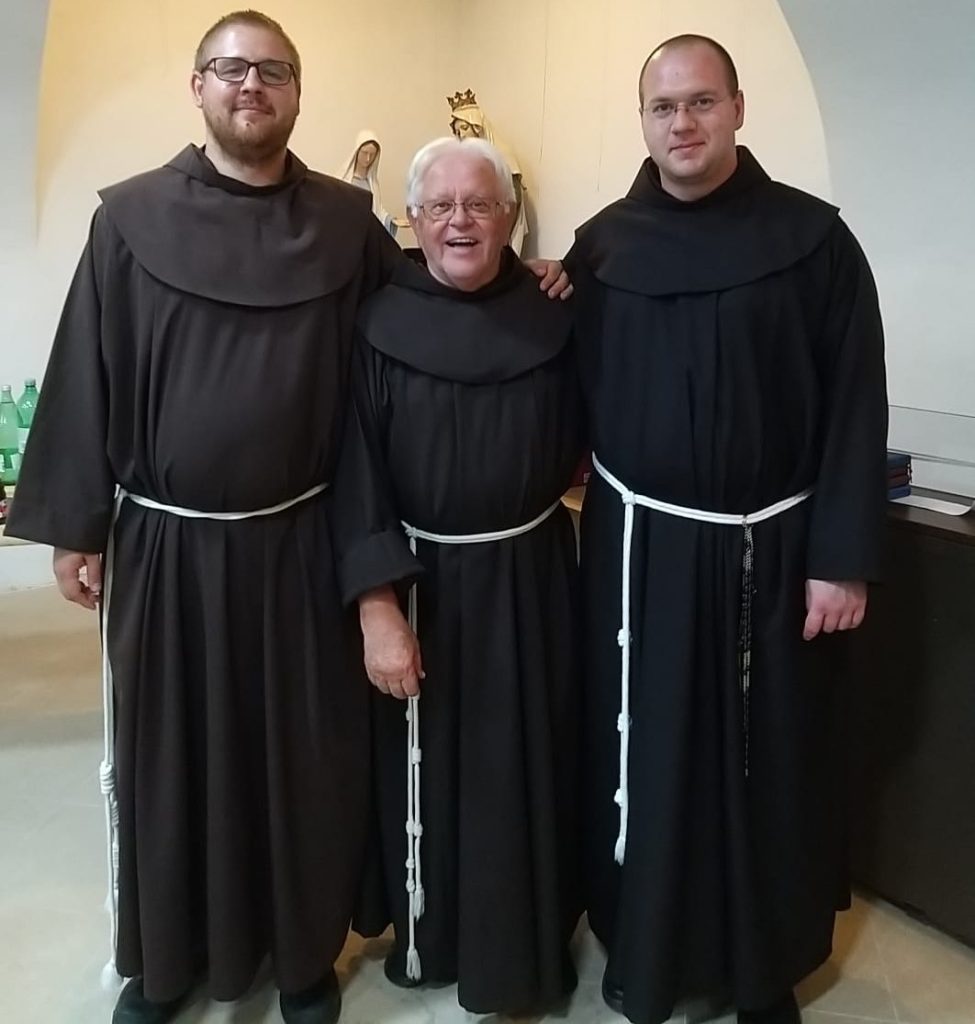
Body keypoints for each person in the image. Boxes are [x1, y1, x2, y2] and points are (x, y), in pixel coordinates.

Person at [11, 10, 409, 1024]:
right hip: (167, 548)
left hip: (301, 542)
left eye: (273, 70)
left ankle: (303, 957)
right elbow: (88, 365)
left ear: (298, 92)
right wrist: (77, 521)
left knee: (301, 759)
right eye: (231, 69)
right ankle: (166, 963)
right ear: (198, 88)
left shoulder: (347, 227)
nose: (251, 86)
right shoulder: (130, 218)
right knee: (171, 762)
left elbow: (420, 327)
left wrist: (532, 282)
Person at [567, 34, 888, 1024]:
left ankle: (763, 965)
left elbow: (855, 406)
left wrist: (841, 560)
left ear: (739, 110)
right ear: (643, 121)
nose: (683, 124)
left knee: (770, 763)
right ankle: (645, 950)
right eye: (663, 107)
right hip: (641, 557)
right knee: (646, 754)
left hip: (776, 552)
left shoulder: (815, 242)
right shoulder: (600, 249)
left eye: (701, 102)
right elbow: (554, 383)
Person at [332, 136, 585, 1016]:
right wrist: (376, 608)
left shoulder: (555, 315)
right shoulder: (375, 324)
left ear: (509, 217)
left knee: (528, 763)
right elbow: (354, 473)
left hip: (532, 576)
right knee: (427, 769)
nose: (459, 222)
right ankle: (432, 936)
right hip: (419, 584)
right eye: (439, 206)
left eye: (479, 204)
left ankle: (524, 943)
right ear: (411, 220)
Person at [448, 89, 530, 255]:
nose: (461, 135)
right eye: (458, 131)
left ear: (477, 128)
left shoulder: (501, 155)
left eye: (464, 127)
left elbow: (512, 198)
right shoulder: (472, 158)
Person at [336, 129, 404, 237]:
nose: (368, 158)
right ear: (357, 152)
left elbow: (377, 212)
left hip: (367, 236)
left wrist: (391, 221)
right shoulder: (343, 180)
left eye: (372, 154)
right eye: (365, 153)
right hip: (348, 235)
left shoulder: (373, 184)